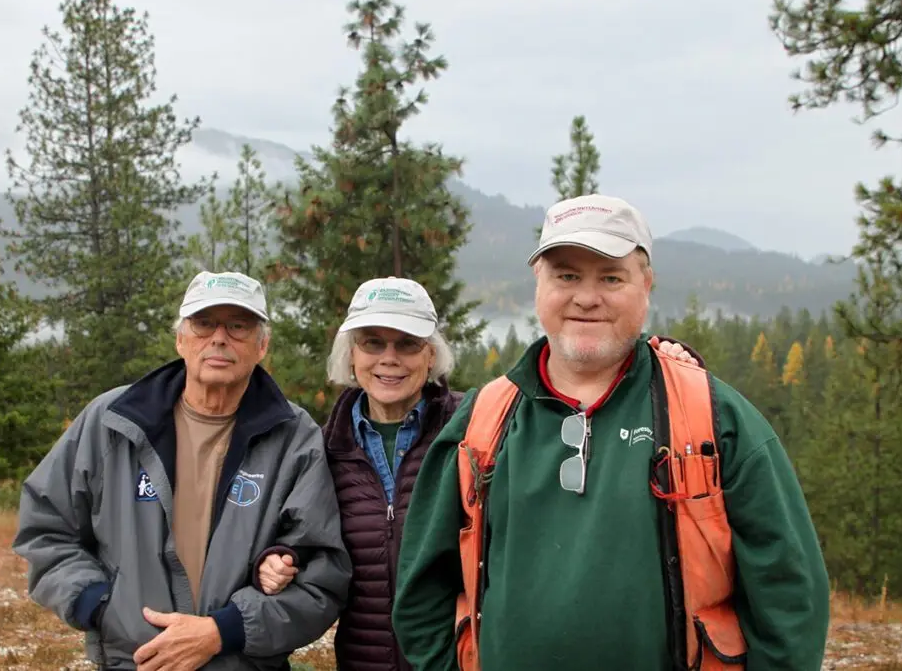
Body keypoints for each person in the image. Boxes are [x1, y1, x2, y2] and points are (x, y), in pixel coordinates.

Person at [390, 194, 831, 670]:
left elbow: (789, 595)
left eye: (611, 277)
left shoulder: (713, 417)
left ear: (647, 284)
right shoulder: (482, 420)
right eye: (567, 275)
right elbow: (421, 590)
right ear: (538, 282)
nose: (586, 296)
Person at [253, 276, 703, 671]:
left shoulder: (481, 426)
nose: (389, 358)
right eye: (373, 342)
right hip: (364, 659)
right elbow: (302, 534)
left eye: (407, 343)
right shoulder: (324, 448)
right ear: (351, 355)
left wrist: (655, 363)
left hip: (461, 658)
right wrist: (278, 555)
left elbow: (577, 417)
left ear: (431, 355)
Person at [12, 271, 352, 671]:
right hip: (135, 661)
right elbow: (45, 525)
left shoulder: (295, 438)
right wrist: (99, 604)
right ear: (181, 338)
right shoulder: (111, 422)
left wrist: (222, 631)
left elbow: (320, 575)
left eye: (238, 326)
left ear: (262, 345)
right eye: (204, 323)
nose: (219, 338)